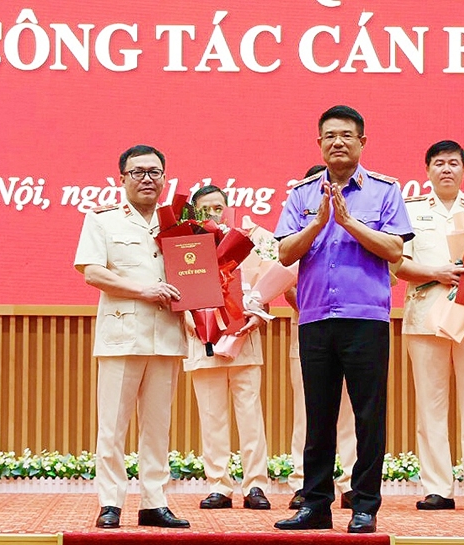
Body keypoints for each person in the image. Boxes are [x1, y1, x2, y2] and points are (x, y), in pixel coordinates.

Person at [273, 105, 413, 534]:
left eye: (347, 135)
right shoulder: (302, 194)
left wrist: (349, 222)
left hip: (366, 317)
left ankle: (364, 505)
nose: (338, 142)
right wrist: (318, 223)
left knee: (369, 415)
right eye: (330, 135)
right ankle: (315, 504)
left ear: (362, 142)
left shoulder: (385, 191)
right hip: (315, 317)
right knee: (318, 416)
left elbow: (395, 250)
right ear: (319, 143)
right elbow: (285, 253)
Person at [74, 145, 190, 529]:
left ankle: (155, 502)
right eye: (138, 172)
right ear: (122, 178)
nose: (147, 179)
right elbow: (93, 273)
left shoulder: (179, 222)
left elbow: (196, 273)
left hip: (166, 333)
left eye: (154, 172)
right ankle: (110, 502)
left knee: (158, 426)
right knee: (112, 426)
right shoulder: (102, 220)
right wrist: (145, 290)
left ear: (165, 178)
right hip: (122, 334)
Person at [392, 141, 464, 512]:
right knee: (430, 404)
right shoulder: (409, 210)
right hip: (426, 316)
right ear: (427, 171)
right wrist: (436, 273)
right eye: (439, 163)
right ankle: (437, 487)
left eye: (453, 163)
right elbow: (398, 264)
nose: (446, 170)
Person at [184, 185, 271, 511]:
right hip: (203, 341)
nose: (213, 214)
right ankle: (219, 485)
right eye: (205, 209)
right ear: (194, 213)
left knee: (251, 417)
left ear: (228, 208)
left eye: (218, 207)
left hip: (243, 340)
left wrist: (258, 315)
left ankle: (256, 485)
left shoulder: (247, 242)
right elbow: (178, 291)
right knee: (212, 417)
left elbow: (265, 287)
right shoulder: (185, 246)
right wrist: (190, 318)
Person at [285, 165, 357, 511]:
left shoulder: (356, 223)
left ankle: (351, 483)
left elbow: (387, 272)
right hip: (310, 326)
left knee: (352, 412)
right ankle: (304, 482)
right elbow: (284, 272)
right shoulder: (300, 220)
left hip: (355, 324)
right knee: (309, 411)